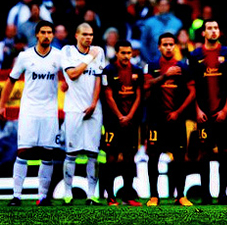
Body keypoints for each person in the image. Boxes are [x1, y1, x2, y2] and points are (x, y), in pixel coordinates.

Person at [2, 20, 61, 206]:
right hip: (29, 110)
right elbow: (11, 80)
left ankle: (43, 197)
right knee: (23, 151)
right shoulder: (25, 56)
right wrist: (2, 104)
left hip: (50, 111)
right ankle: (16, 196)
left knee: (48, 153)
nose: (46, 35)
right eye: (43, 32)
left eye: (50, 32)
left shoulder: (59, 56)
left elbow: (71, 74)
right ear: (37, 34)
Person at [144, 32, 196, 207]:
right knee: (153, 158)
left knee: (180, 158)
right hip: (156, 120)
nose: (168, 47)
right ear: (159, 47)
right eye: (164, 44)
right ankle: (154, 196)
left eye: (171, 44)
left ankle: (180, 195)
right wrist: (165, 75)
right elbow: (146, 85)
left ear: (174, 46)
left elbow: (192, 91)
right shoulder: (151, 66)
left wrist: (179, 112)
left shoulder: (183, 67)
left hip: (177, 119)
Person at [188, 20, 227, 205]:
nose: (213, 31)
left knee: (225, 152)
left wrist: (226, 109)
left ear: (219, 31)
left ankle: (223, 194)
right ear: (203, 33)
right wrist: (197, 109)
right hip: (204, 113)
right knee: (204, 153)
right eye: (209, 28)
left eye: (216, 28)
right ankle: (206, 195)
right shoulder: (195, 55)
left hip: (223, 112)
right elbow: (191, 86)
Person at [61, 23, 106, 206]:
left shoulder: (98, 51)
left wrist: (94, 104)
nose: (89, 38)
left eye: (91, 35)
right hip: (73, 108)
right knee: (71, 152)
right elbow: (72, 74)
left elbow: (98, 79)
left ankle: (91, 195)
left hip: (94, 109)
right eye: (85, 35)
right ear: (76, 36)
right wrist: (89, 58)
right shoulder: (67, 51)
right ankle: (67, 194)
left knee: (92, 153)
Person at [99, 40, 144, 206]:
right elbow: (108, 95)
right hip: (112, 122)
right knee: (110, 158)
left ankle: (128, 196)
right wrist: (120, 116)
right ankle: (110, 196)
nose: (126, 56)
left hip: (131, 122)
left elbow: (139, 95)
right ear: (116, 53)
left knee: (129, 159)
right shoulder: (108, 70)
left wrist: (130, 116)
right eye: (123, 53)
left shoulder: (137, 71)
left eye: (129, 53)